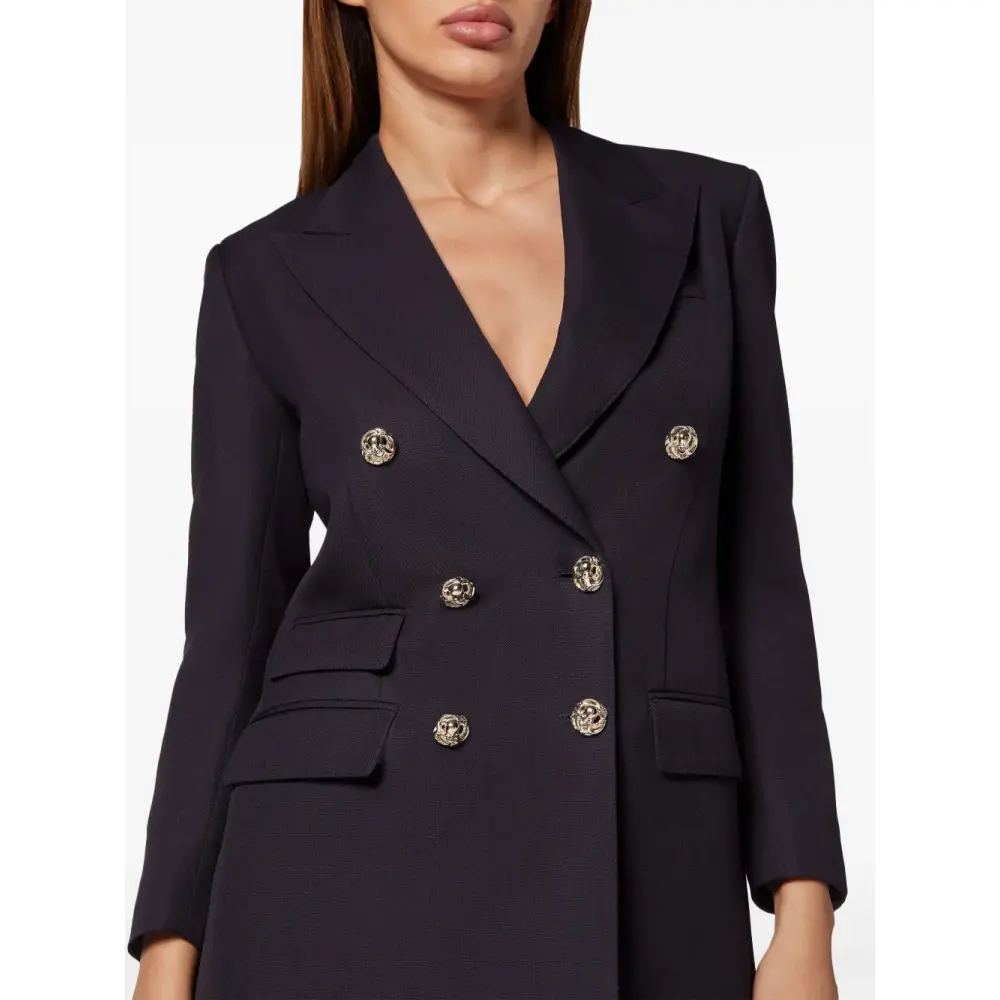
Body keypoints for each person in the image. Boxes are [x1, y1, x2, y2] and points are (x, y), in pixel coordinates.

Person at [129, 2, 848, 998]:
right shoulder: (266, 272)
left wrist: (803, 913)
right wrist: (168, 951)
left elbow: (759, 582)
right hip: (341, 877)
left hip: (645, 864)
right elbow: (227, 640)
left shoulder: (700, 216)